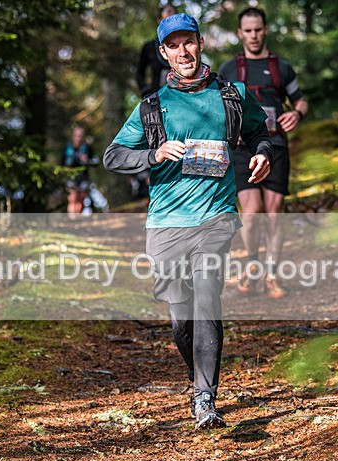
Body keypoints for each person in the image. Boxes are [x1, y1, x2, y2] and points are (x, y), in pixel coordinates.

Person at [104, 13, 273, 429]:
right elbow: (113, 156)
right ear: (163, 53)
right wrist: (154, 154)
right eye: (174, 45)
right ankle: (198, 377)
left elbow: (259, 132)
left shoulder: (233, 94)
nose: (183, 52)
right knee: (182, 321)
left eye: (189, 42)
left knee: (207, 298)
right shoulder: (152, 106)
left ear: (200, 43)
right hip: (166, 223)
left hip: (216, 216)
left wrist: (262, 153)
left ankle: (205, 398)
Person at [219, 7, 309, 299]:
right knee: (252, 211)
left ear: (265, 30)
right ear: (240, 33)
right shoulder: (228, 70)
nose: (254, 35)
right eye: (248, 30)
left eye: (258, 29)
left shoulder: (281, 67)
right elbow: (216, 106)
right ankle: (252, 264)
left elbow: (301, 101)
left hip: (276, 146)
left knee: (274, 214)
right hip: (242, 148)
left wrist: (296, 113)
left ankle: (272, 275)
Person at [135, 4, 176, 98]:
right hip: (157, 96)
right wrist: (144, 90)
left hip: (180, 95)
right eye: (168, 14)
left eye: (174, 18)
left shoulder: (182, 46)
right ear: (159, 20)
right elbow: (139, 72)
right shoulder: (150, 47)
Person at [60, 126, 98, 218]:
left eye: (81, 135)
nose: (79, 138)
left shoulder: (87, 148)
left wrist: (87, 161)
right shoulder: (67, 148)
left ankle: (78, 219)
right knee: (73, 199)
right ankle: (72, 219)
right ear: (73, 136)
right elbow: (61, 163)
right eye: (77, 135)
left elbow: (96, 162)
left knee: (81, 201)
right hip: (71, 177)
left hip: (83, 177)